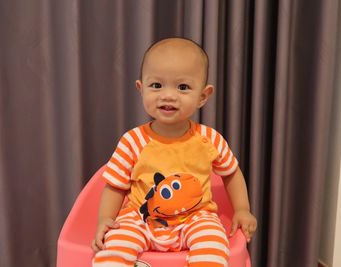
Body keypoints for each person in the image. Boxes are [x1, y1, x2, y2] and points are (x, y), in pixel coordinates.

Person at [91, 37, 257, 267]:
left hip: (196, 219)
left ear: (203, 96)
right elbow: (115, 186)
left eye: (182, 87)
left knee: (214, 245)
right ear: (141, 89)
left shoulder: (209, 139)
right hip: (142, 219)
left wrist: (242, 209)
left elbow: (231, 173)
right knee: (111, 250)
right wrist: (105, 220)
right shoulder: (132, 141)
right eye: (156, 85)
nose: (168, 95)